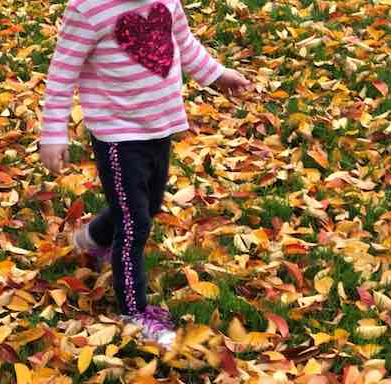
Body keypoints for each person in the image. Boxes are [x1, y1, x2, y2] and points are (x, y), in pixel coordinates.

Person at [37, 0, 252, 347]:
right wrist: (53, 134)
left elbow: (184, 41)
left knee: (148, 206)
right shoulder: (88, 10)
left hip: (159, 125)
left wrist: (216, 74)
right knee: (134, 223)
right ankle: (134, 312)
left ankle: (91, 239)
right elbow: (62, 75)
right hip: (118, 135)